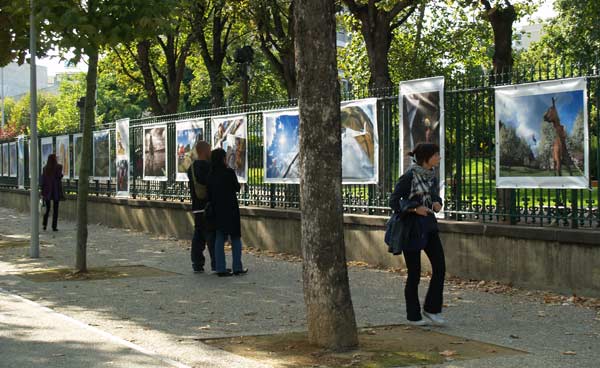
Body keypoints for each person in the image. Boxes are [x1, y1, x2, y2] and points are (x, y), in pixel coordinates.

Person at [389, 142, 445, 326]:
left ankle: (432, 309)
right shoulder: (409, 177)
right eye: (436, 155)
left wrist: (437, 203)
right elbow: (394, 201)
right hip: (411, 229)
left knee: (440, 267)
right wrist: (414, 209)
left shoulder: (432, 177)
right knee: (415, 273)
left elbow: (433, 196)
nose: (439, 157)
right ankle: (413, 315)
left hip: (429, 227)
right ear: (426, 158)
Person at [207, 148, 247, 277]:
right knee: (235, 237)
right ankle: (237, 267)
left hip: (217, 209)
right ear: (223, 159)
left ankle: (221, 268)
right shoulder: (229, 172)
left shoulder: (211, 174)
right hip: (231, 209)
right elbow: (236, 188)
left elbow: (209, 193)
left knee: (219, 237)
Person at [187, 141, 215, 273]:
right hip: (208, 206)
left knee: (198, 235)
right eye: (209, 150)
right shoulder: (209, 167)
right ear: (205, 151)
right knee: (211, 235)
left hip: (197, 206)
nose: (211, 152)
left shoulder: (191, 168)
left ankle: (197, 263)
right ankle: (216, 263)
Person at [41, 154, 63, 231]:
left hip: (47, 191)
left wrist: (42, 191)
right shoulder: (59, 167)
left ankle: (44, 224)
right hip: (56, 191)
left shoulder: (45, 168)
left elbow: (43, 180)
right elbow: (59, 176)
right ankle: (54, 226)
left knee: (47, 208)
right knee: (55, 209)